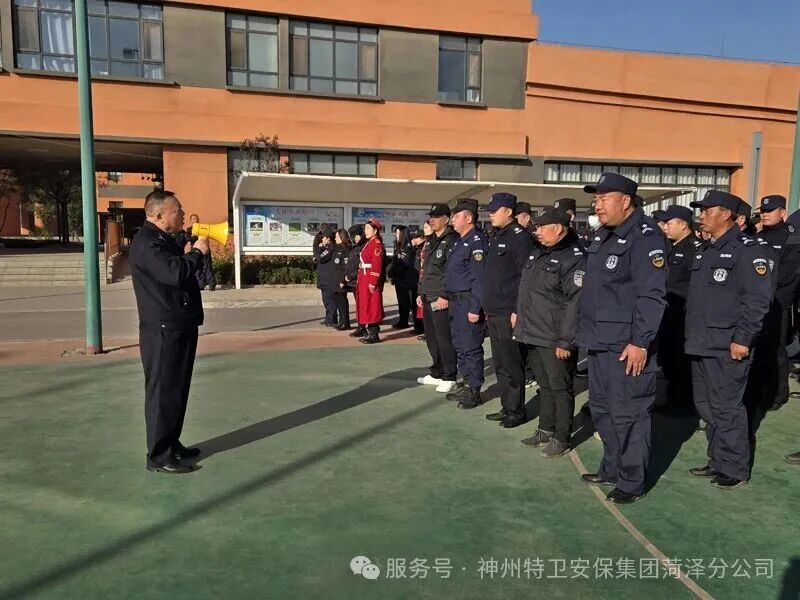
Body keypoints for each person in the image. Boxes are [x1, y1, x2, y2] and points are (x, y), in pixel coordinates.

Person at [577, 172, 667, 504]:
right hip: (600, 341)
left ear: (625, 201)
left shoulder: (645, 238)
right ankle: (612, 468)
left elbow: (652, 295)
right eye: (595, 199)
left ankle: (631, 481)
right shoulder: (605, 236)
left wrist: (640, 341)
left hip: (627, 345)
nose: (597, 205)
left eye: (604, 198)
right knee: (602, 410)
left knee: (629, 414)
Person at [685, 190, 773, 490]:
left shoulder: (748, 251)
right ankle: (717, 460)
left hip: (727, 345)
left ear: (725, 214)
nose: (702, 216)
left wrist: (743, 339)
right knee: (706, 407)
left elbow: (757, 301)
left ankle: (735, 468)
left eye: (707, 210)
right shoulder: (705, 249)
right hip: (701, 342)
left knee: (727, 407)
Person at [129, 190, 208, 474]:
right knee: (163, 392)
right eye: (178, 210)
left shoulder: (161, 240)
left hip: (177, 324)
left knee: (177, 389)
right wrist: (197, 253)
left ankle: (171, 443)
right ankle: (159, 456)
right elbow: (175, 273)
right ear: (160, 215)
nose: (183, 214)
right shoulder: (148, 244)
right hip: (163, 330)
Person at [514, 208, 586, 457]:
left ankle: (562, 437)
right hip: (533, 331)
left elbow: (575, 303)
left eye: (542, 227)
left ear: (557, 228)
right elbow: (527, 290)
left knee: (560, 388)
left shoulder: (574, 257)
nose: (537, 232)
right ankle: (545, 428)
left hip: (555, 336)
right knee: (544, 386)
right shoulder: (539, 252)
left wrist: (566, 341)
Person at [483, 192, 534, 428]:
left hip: (508, 311)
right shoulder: (497, 235)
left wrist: (517, 309)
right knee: (501, 363)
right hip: (494, 310)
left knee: (512, 363)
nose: (490, 214)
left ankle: (516, 411)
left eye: (495, 210)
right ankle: (507, 406)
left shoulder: (520, 238)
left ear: (509, 212)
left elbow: (525, 277)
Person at [749, 195, 800, 413]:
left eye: (770, 211)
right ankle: (757, 391)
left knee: (775, 348)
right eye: (763, 211)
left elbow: (788, 275)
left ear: (782, 212)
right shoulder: (757, 237)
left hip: (777, 301)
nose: (765, 214)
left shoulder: (792, 238)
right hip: (755, 301)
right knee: (756, 348)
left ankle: (777, 394)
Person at [657, 205, 703, 412]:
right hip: (668, 313)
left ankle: (683, 404)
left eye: (669, 223)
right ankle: (673, 399)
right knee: (668, 357)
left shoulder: (694, 249)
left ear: (683, 224)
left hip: (682, 315)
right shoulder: (671, 247)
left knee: (681, 360)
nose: (665, 227)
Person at [443, 198, 487, 408]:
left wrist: (475, 307)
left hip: (468, 302)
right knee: (460, 346)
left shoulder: (477, 242)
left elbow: (479, 279)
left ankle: (475, 390)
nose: (453, 220)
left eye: (457, 216)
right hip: (456, 302)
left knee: (470, 347)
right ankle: (467, 383)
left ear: (468, 218)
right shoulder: (460, 241)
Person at [417, 204, 460, 393]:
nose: (431, 220)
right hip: (428, 294)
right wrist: (421, 292)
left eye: (436, 216)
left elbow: (451, 271)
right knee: (432, 337)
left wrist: (445, 295)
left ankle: (450, 375)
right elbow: (426, 268)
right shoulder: (432, 240)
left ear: (446, 219)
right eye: (430, 216)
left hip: (440, 297)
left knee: (444, 338)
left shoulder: (451, 240)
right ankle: (437, 371)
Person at [356, 219, 386, 344]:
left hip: (370, 279)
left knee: (372, 306)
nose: (365, 231)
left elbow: (377, 264)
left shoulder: (376, 244)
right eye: (365, 228)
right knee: (366, 305)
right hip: (364, 277)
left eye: (368, 228)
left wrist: (373, 282)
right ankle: (369, 332)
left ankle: (374, 334)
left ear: (375, 230)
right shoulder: (369, 243)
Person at [175, 214, 218, 291]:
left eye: (196, 218)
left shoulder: (203, 227)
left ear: (198, 219)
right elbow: (187, 239)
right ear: (191, 220)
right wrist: (195, 236)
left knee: (208, 267)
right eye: (193, 219)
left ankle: (212, 284)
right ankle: (200, 284)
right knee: (198, 268)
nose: (195, 220)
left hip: (205, 250)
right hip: (195, 251)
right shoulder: (189, 229)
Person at [388, 226, 416, 330]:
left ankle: (407, 322)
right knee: (401, 301)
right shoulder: (398, 245)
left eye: (398, 233)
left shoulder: (407, 247)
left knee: (406, 302)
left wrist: (394, 269)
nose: (396, 235)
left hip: (405, 279)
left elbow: (405, 262)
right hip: (398, 279)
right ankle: (402, 321)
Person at [346, 225, 366, 338]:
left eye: (355, 236)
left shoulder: (364, 247)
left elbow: (360, 266)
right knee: (359, 306)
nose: (354, 239)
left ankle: (362, 327)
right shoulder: (356, 247)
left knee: (362, 306)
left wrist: (351, 276)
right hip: (354, 282)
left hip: (359, 280)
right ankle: (361, 326)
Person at [316, 229, 339, 327]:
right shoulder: (327, 248)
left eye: (324, 237)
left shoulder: (331, 248)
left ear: (328, 238)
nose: (322, 239)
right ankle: (329, 318)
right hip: (324, 278)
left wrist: (319, 248)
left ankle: (331, 320)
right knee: (326, 300)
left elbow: (320, 257)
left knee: (329, 301)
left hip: (328, 279)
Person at [333, 229, 352, 330]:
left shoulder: (346, 249)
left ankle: (345, 322)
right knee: (338, 301)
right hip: (335, 279)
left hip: (341, 280)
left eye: (337, 236)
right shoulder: (337, 248)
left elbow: (346, 267)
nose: (335, 238)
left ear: (342, 237)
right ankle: (341, 321)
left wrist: (342, 281)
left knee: (342, 301)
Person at [409, 226, 426, 335]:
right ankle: (418, 327)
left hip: (421, 282)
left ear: (421, 238)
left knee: (421, 307)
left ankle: (423, 328)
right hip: (414, 281)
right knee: (415, 306)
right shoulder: (415, 249)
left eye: (414, 237)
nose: (412, 240)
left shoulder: (424, 249)